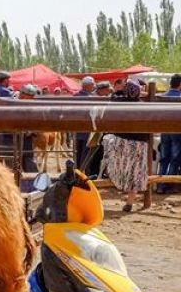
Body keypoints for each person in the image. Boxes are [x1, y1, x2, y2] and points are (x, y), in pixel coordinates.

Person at [102, 79, 149, 212]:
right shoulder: (144, 106)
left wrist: (121, 90)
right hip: (140, 143)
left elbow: (114, 96)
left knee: (107, 143)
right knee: (136, 172)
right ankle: (130, 201)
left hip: (121, 142)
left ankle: (109, 175)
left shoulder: (118, 101)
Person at [156, 72, 181, 193]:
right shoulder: (179, 97)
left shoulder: (162, 96)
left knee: (164, 158)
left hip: (164, 130)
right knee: (174, 159)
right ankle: (168, 185)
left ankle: (160, 185)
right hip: (177, 131)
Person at [73, 75, 95, 168]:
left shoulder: (75, 96)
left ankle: (76, 173)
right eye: (93, 85)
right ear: (88, 86)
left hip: (77, 130)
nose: (93, 87)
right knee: (85, 155)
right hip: (87, 130)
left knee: (77, 153)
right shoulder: (92, 98)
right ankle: (82, 175)